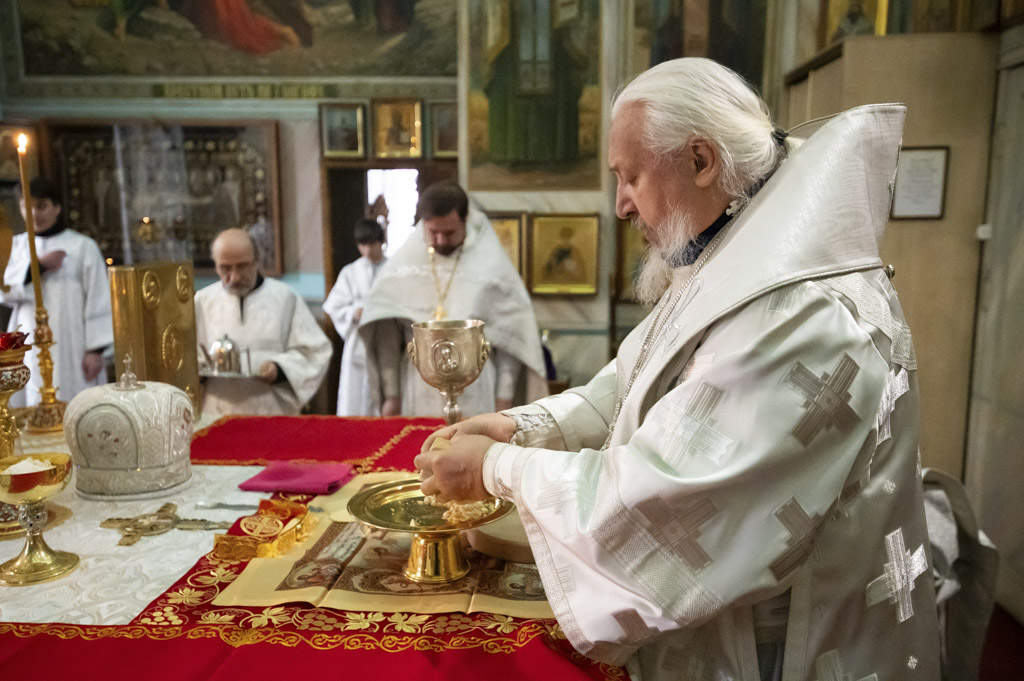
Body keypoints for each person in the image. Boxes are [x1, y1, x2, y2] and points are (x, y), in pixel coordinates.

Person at [415, 58, 939, 681]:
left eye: (630, 176)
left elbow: (665, 498)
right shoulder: (737, 252)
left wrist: (495, 468)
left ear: (700, 160)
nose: (620, 205)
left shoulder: (801, 311)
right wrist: (524, 427)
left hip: (783, 652)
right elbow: (637, 381)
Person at [360, 181, 547, 419]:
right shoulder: (403, 265)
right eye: (432, 232)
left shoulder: (492, 265)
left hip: (477, 387)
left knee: (474, 442)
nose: (440, 240)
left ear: (465, 219)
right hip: (419, 388)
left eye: (449, 233)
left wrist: (505, 398)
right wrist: (392, 395)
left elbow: (511, 339)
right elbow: (388, 335)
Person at [1, 178, 113, 408]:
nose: (34, 213)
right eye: (26, 206)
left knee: (78, 403)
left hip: (73, 343)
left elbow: (99, 297)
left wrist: (95, 350)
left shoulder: (82, 246)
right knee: (33, 400)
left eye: (41, 206)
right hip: (29, 340)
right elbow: (4, 291)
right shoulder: (15, 247)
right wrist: (38, 267)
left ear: (57, 207)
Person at [195, 227, 331, 415]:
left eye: (242, 266)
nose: (234, 277)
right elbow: (186, 360)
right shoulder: (202, 301)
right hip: (217, 412)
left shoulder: (285, 298)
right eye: (225, 268)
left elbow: (315, 352)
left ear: (257, 261)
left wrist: (280, 369)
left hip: (271, 410)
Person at [323, 218, 387, 416]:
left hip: (386, 335)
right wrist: (353, 312)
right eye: (362, 245)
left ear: (381, 241)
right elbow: (333, 305)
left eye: (372, 244)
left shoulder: (392, 268)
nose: (367, 250)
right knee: (356, 391)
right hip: (359, 339)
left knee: (386, 387)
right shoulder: (350, 272)